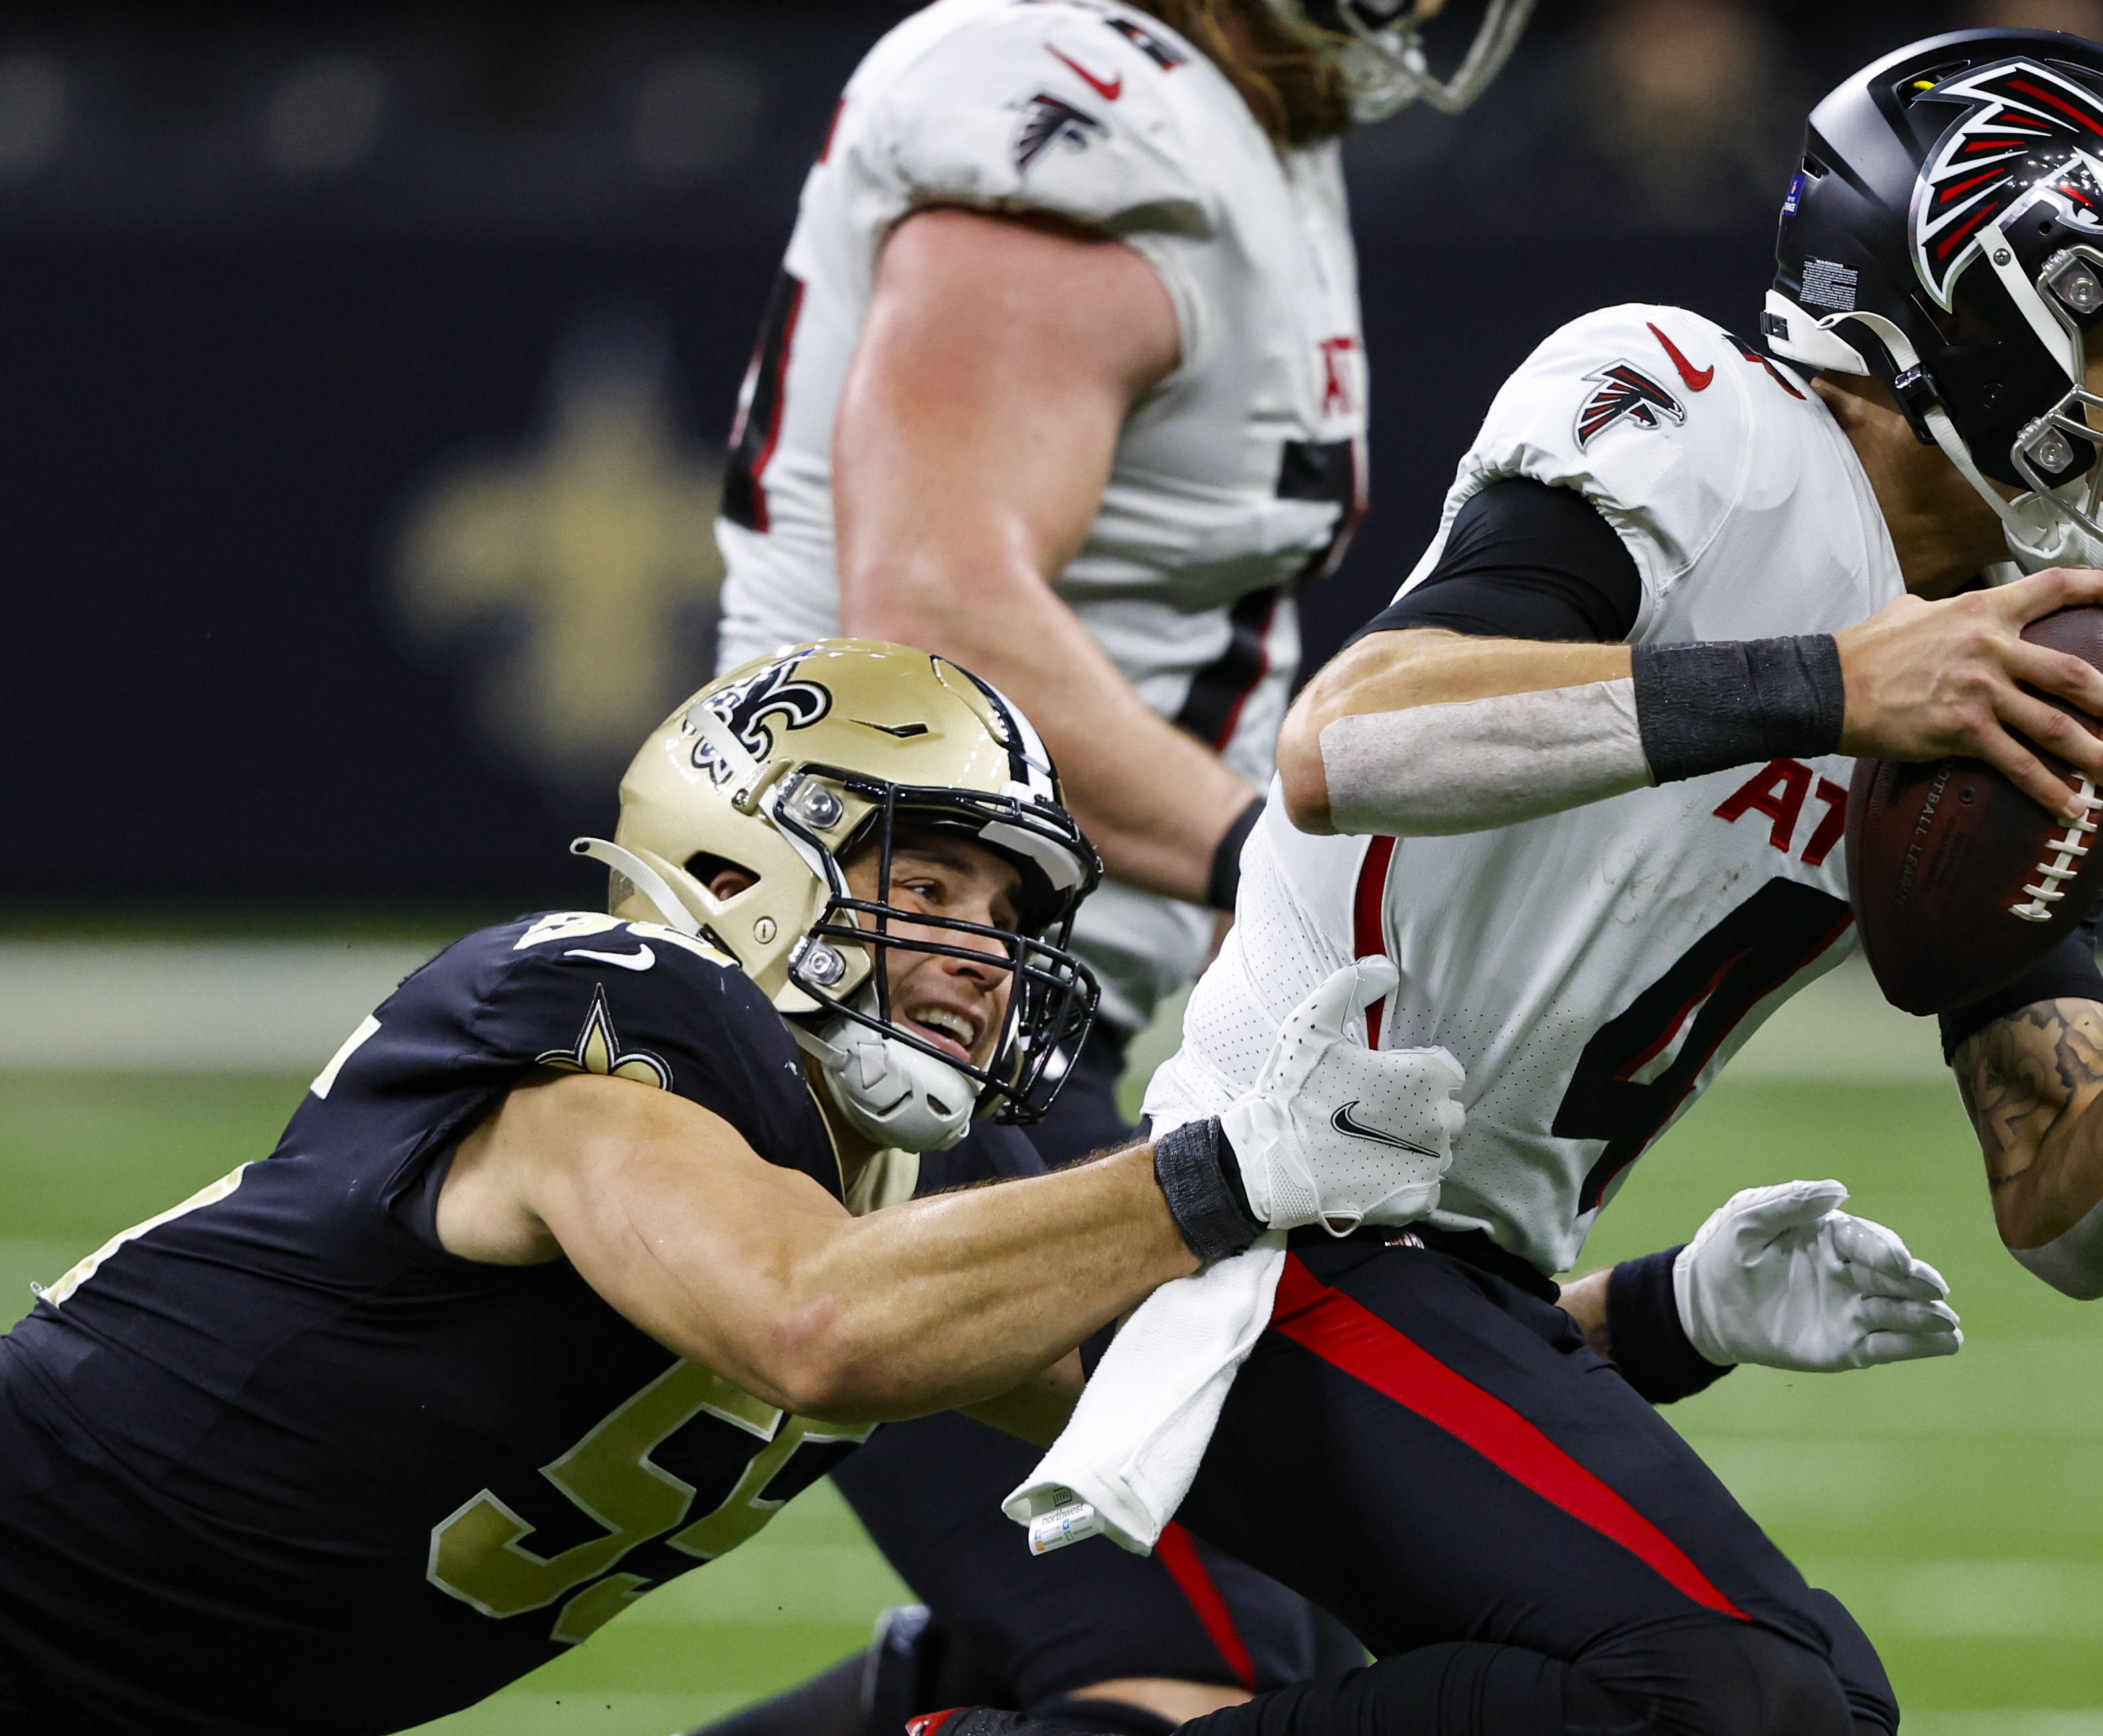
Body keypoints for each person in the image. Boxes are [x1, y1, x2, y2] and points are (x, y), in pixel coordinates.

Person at [940, 29, 2103, 1736]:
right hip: (1276, 1208)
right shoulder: (1693, 411)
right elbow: (1348, 739)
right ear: (1968, 298)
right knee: (1730, 1693)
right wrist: (1828, 683)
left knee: (1811, 1701)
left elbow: (2066, 1215)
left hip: (1469, 1281)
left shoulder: (2040, 637)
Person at [0, 641, 1482, 1735]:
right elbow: (809, 1322)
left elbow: (1213, 1397)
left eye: (1007, 913)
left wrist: (1642, 1323)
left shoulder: (896, 1174)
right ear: (732, 865)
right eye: (926, 885)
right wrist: (1219, 1175)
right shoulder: (617, 1021)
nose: (981, 953)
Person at [702, 0, 1557, 1727]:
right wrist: (1287, 869)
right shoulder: (1085, 100)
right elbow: (935, 622)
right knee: (1209, 1664)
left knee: (1272, 1629)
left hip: (995, 1015)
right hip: (867, 1003)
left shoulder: (1222, 99)